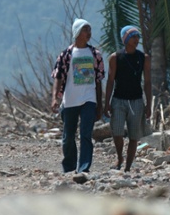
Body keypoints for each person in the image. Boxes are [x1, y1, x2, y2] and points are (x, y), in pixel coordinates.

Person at [51, 18, 105, 173]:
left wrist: (99, 104)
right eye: (85, 29)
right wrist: (55, 97)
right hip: (70, 101)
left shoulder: (95, 54)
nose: (89, 33)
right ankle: (69, 167)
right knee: (68, 137)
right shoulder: (66, 54)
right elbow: (58, 76)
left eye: (89, 29)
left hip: (89, 100)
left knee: (86, 134)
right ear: (77, 32)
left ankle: (83, 167)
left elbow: (99, 80)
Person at [104, 25, 152, 172]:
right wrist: (107, 103)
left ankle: (128, 167)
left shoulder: (143, 58)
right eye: (133, 37)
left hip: (136, 101)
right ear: (125, 39)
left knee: (133, 136)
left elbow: (148, 82)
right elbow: (110, 81)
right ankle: (120, 156)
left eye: (138, 37)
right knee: (117, 132)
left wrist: (148, 104)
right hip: (118, 100)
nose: (137, 40)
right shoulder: (115, 58)